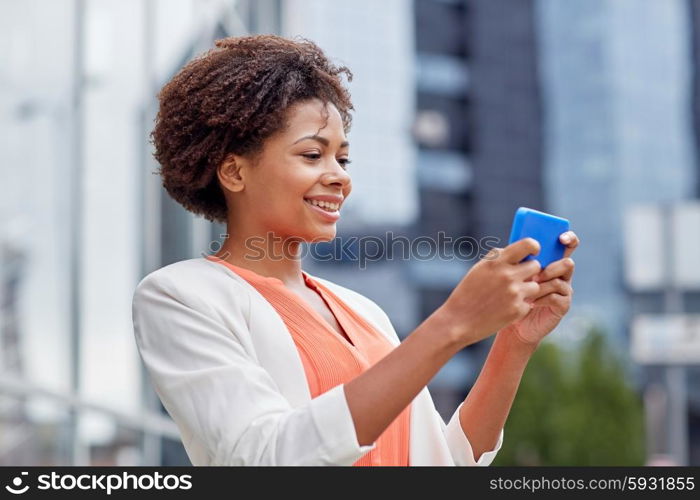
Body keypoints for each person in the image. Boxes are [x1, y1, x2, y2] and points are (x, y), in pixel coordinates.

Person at [132, 34, 580, 466]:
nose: (339, 177)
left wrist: (513, 343)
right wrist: (453, 323)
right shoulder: (180, 297)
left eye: (342, 159)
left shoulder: (364, 311)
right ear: (233, 172)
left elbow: (445, 463)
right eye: (312, 155)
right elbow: (268, 458)